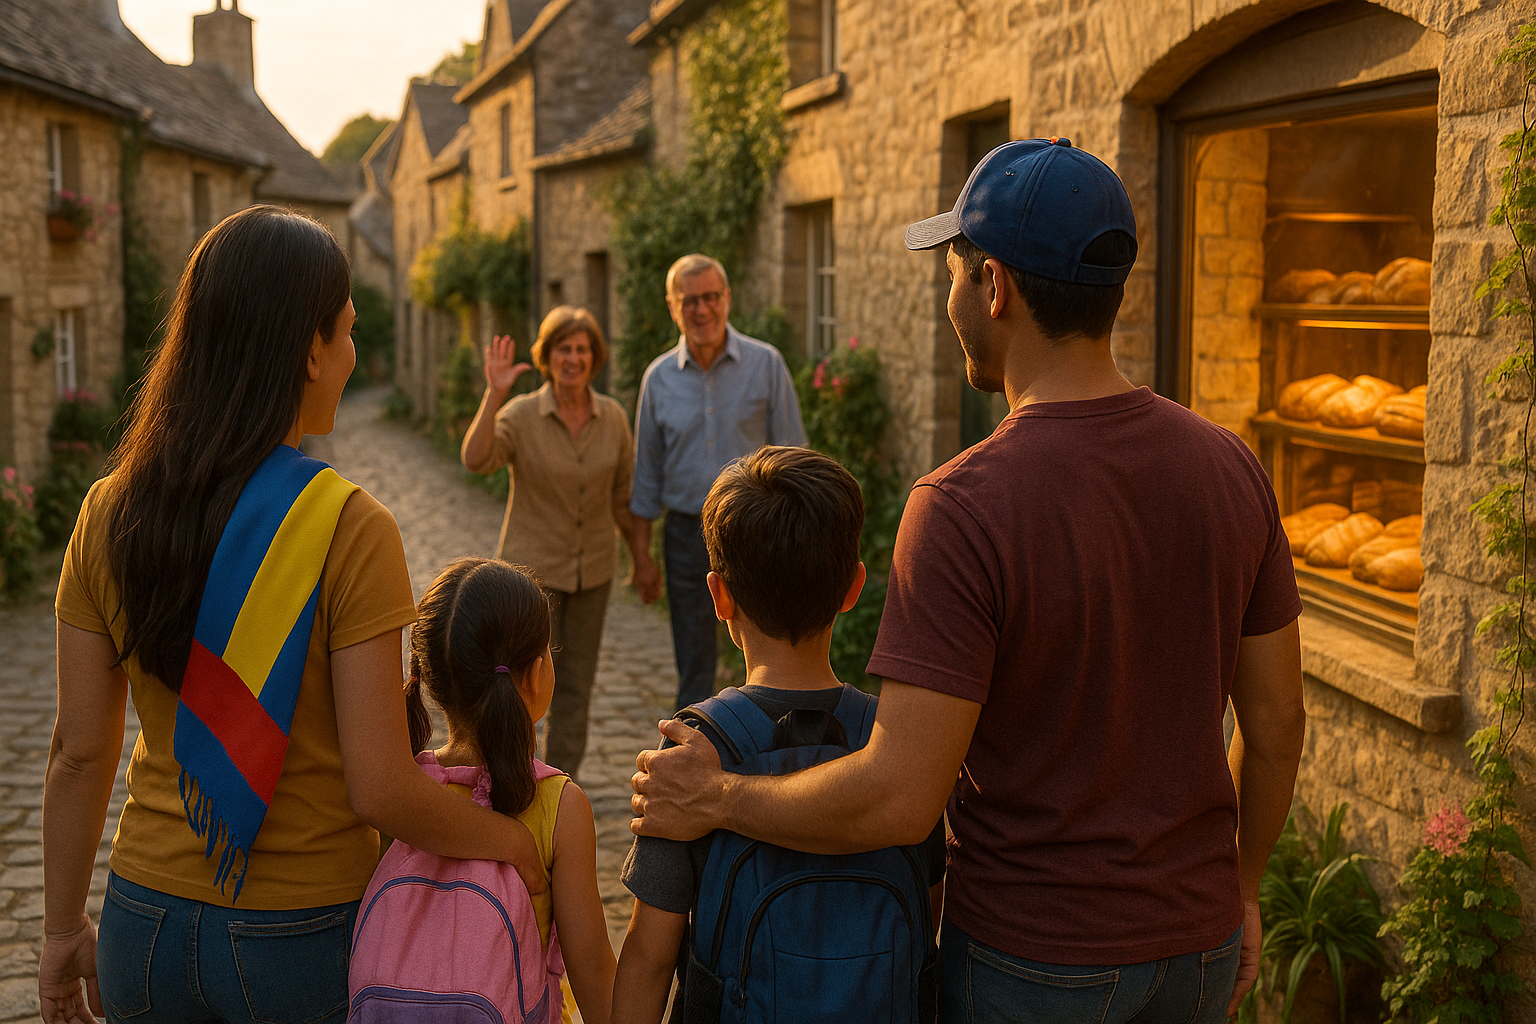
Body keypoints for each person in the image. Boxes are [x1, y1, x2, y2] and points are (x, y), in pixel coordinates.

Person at [628, 139, 1308, 1023]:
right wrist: (1243, 886)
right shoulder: (1231, 468)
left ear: (995, 286)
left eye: (952, 271)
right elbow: (1279, 723)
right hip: (1199, 948)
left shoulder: (960, 505)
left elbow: (899, 798)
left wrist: (714, 795)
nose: (948, 297)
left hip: (1033, 962)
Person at [41, 206, 543, 1024]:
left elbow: (77, 754)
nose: (350, 356)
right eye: (345, 333)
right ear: (309, 351)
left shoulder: (108, 510)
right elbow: (381, 787)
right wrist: (512, 843)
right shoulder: (349, 526)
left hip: (144, 921)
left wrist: (63, 930)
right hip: (298, 933)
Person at [612, 446, 944, 1024]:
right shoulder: (895, 746)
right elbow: (928, 917)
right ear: (854, 588)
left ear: (719, 596)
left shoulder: (695, 753)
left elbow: (648, 953)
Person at [350, 557, 615, 1024]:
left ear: (430, 679)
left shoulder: (403, 795)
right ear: (535, 675)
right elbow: (594, 977)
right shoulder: (560, 806)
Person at [461, 306, 660, 777]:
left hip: (593, 573)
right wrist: (494, 394)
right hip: (531, 578)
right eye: (563, 349)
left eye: (582, 349)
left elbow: (621, 497)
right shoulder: (522, 415)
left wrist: (642, 561)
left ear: (595, 357)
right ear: (547, 358)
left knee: (575, 686)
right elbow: (476, 459)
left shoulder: (611, 417)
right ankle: (513, 777)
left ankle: (557, 784)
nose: (573, 358)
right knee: (518, 686)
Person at [630, 254, 807, 711]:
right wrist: (642, 559)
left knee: (772, 653)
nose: (702, 310)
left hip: (760, 530)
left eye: (711, 297)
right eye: (689, 301)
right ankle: (696, 757)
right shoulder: (658, 379)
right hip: (686, 536)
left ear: (727, 299)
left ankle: (766, 748)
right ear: (673, 307)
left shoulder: (766, 364)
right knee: (694, 663)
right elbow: (646, 476)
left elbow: (795, 459)